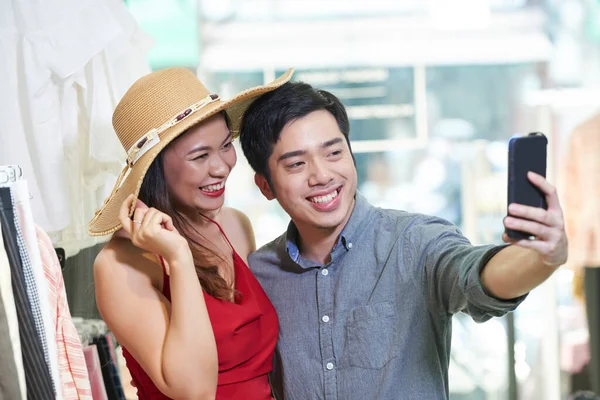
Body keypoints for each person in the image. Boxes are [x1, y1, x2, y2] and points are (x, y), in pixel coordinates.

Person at [239, 81, 569, 400]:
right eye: (296, 164)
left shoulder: (415, 242)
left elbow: (476, 277)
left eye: (334, 153)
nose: (322, 175)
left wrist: (543, 257)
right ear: (265, 185)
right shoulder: (259, 274)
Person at [88, 67, 294, 400]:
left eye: (226, 145)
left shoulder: (235, 226)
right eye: (200, 156)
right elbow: (194, 391)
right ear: (155, 168)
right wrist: (179, 258)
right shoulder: (120, 265)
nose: (222, 166)